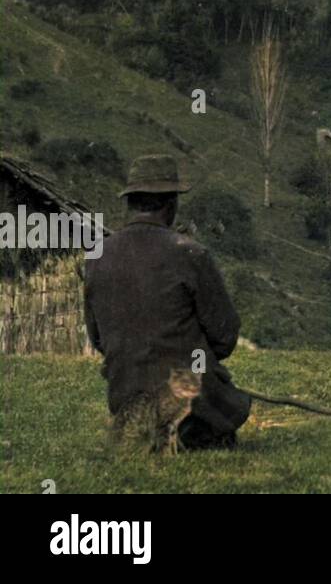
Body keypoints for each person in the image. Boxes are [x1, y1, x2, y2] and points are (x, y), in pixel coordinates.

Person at [85, 155, 251, 450]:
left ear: (131, 202)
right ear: (171, 204)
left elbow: (98, 339)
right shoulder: (190, 253)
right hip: (192, 408)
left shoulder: (96, 256)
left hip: (127, 404)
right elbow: (224, 339)